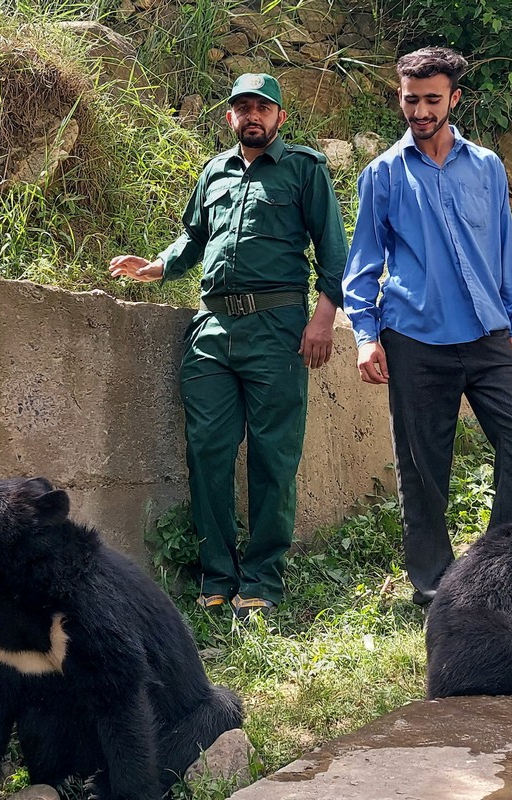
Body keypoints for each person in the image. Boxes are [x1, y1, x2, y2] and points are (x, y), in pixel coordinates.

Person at [110, 73, 347, 618]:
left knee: (273, 458)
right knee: (208, 453)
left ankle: (263, 578)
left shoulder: (304, 169)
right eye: (242, 108)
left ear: (279, 117)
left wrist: (322, 320)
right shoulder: (212, 172)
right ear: (229, 118)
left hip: (278, 329)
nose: (252, 116)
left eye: (262, 107)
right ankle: (217, 575)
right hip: (212, 331)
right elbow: (195, 239)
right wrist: (156, 266)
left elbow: (333, 250)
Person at [341, 46, 512, 608]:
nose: (420, 111)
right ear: (400, 96)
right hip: (413, 338)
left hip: (487, 335)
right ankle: (436, 587)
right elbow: (361, 263)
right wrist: (364, 336)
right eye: (411, 100)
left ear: (454, 99)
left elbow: (507, 250)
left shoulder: (485, 167)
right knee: (423, 470)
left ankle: (508, 569)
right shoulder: (383, 173)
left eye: (432, 100)